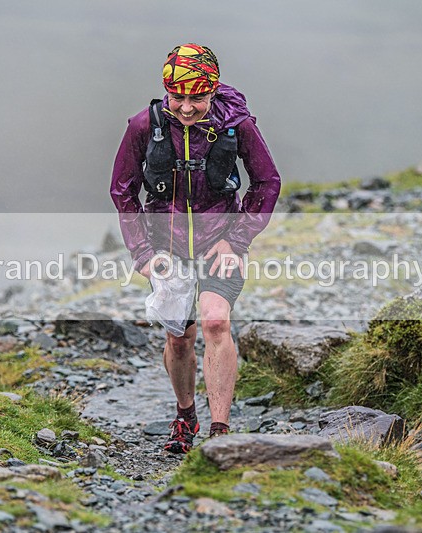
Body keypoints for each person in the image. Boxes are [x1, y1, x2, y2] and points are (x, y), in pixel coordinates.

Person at [110, 44, 280, 453]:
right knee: (180, 339)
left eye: (197, 98)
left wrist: (236, 240)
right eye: (178, 98)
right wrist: (143, 254)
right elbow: (123, 190)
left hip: (220, 243)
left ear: (213, 90)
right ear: (166, 91)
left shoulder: (236, 125)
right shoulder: (141, 126)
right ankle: (186, 416)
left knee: (215, 321)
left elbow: (267, 182)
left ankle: (220, 433)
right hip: (166, 248)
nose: (186, 108)